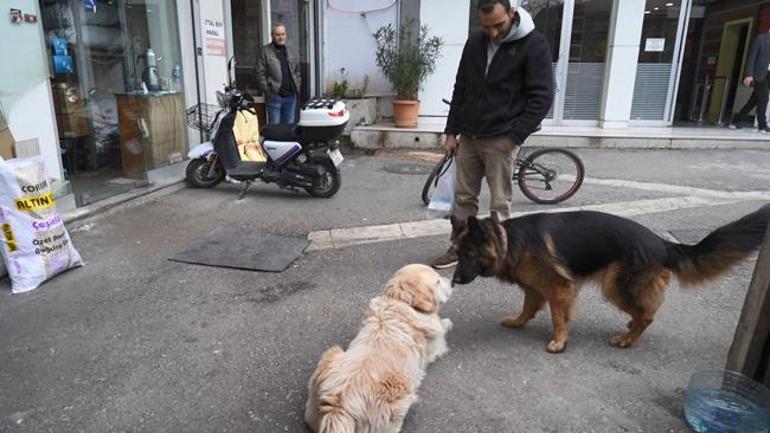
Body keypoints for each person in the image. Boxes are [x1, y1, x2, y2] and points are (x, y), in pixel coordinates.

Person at [431, 0, 553, 269]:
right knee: (463, 198)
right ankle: (460, 248)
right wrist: (451, 131)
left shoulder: (534, 44)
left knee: (500, 202)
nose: (493, 33)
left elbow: (543, 96)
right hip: (470, 136)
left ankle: (500, 253)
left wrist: (515, 136)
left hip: (502, 137)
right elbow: (460, 87)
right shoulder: (475, 41)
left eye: (498, 25)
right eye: (486, 27)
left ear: (512, 12)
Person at [256, 22, 301, 125]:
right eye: (277, 34)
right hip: (274, 97)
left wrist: (297, 84)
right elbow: (259, 74)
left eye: (283, 34)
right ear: (272, 35)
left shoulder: (290, 50)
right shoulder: (265, 51)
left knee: (289, 127)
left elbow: (297, 70)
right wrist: (268, 91)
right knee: (274, 128)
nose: (281, 37)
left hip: (291, 97)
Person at [729, 29, 770, 133]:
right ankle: (762, 125)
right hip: (760, 75)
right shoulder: (761, 38)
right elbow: (752, 57)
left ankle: (736, 120)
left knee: (754, 100)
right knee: (764, 97)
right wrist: (749, 74)